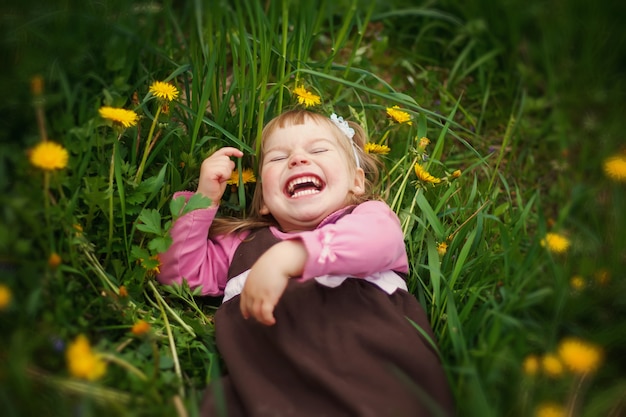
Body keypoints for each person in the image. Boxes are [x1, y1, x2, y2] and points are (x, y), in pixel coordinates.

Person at [157, 109, 454, 417]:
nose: (297, 159)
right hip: (267, 388)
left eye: (318, 150)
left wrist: (294, 255)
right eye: (276, 158)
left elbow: (380, 241)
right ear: (262, 202)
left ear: (356, 182)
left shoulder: (368, 218)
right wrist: (203, 198)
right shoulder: (242, 247)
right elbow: (179, 274)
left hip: (370, 375)